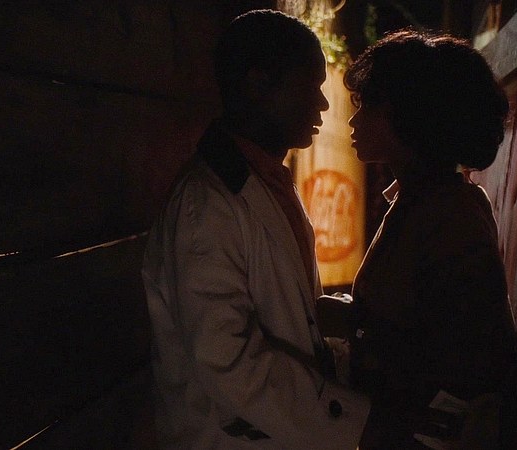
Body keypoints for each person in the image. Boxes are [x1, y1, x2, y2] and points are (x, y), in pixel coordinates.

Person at [141, 9, 370, 449]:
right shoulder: (207, 204)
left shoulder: (263, 183)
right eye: (310, 86)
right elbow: (227, 360)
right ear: (259, 85)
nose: (323, 104)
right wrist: (360, 423)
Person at [340, 29, 517, 449]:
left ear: (407, 115)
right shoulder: (418, 200)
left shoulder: (449, 214)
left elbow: (466, 359)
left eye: (369, 105)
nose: (354, 120)